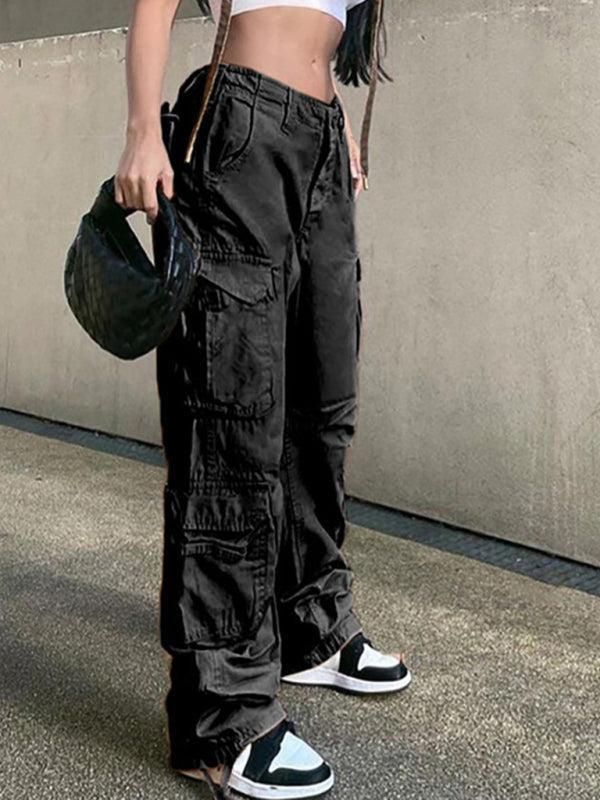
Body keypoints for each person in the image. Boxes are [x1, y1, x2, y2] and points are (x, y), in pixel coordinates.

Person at [115, 1, 410, 797]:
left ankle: (310, 625)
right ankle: (221, 715)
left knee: (323, 405)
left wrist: (334, 128)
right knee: (232, 417)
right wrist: (143, 130)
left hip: (320, 138)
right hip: (240, 125)